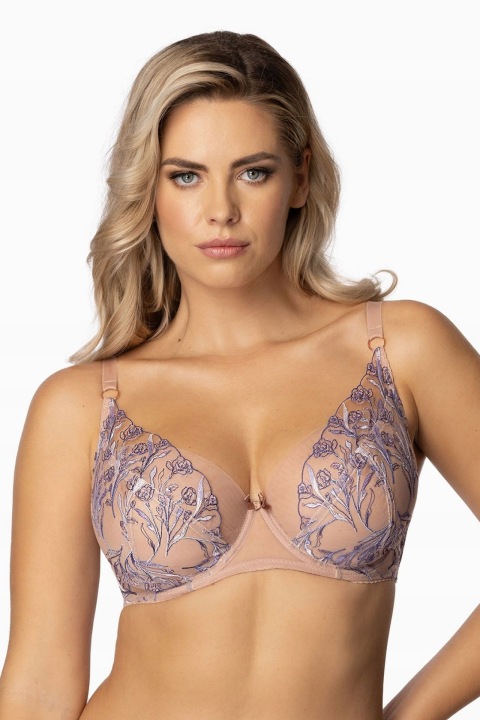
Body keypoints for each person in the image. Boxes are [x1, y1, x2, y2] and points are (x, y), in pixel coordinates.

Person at [0, 29, 478, 720]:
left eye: (253, 172)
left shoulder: (400, 348)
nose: (220, 209)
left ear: (300, 177)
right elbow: (40, 681)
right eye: (185, 175)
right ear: (147, 187)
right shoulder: (80, 404)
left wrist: (406, 717)